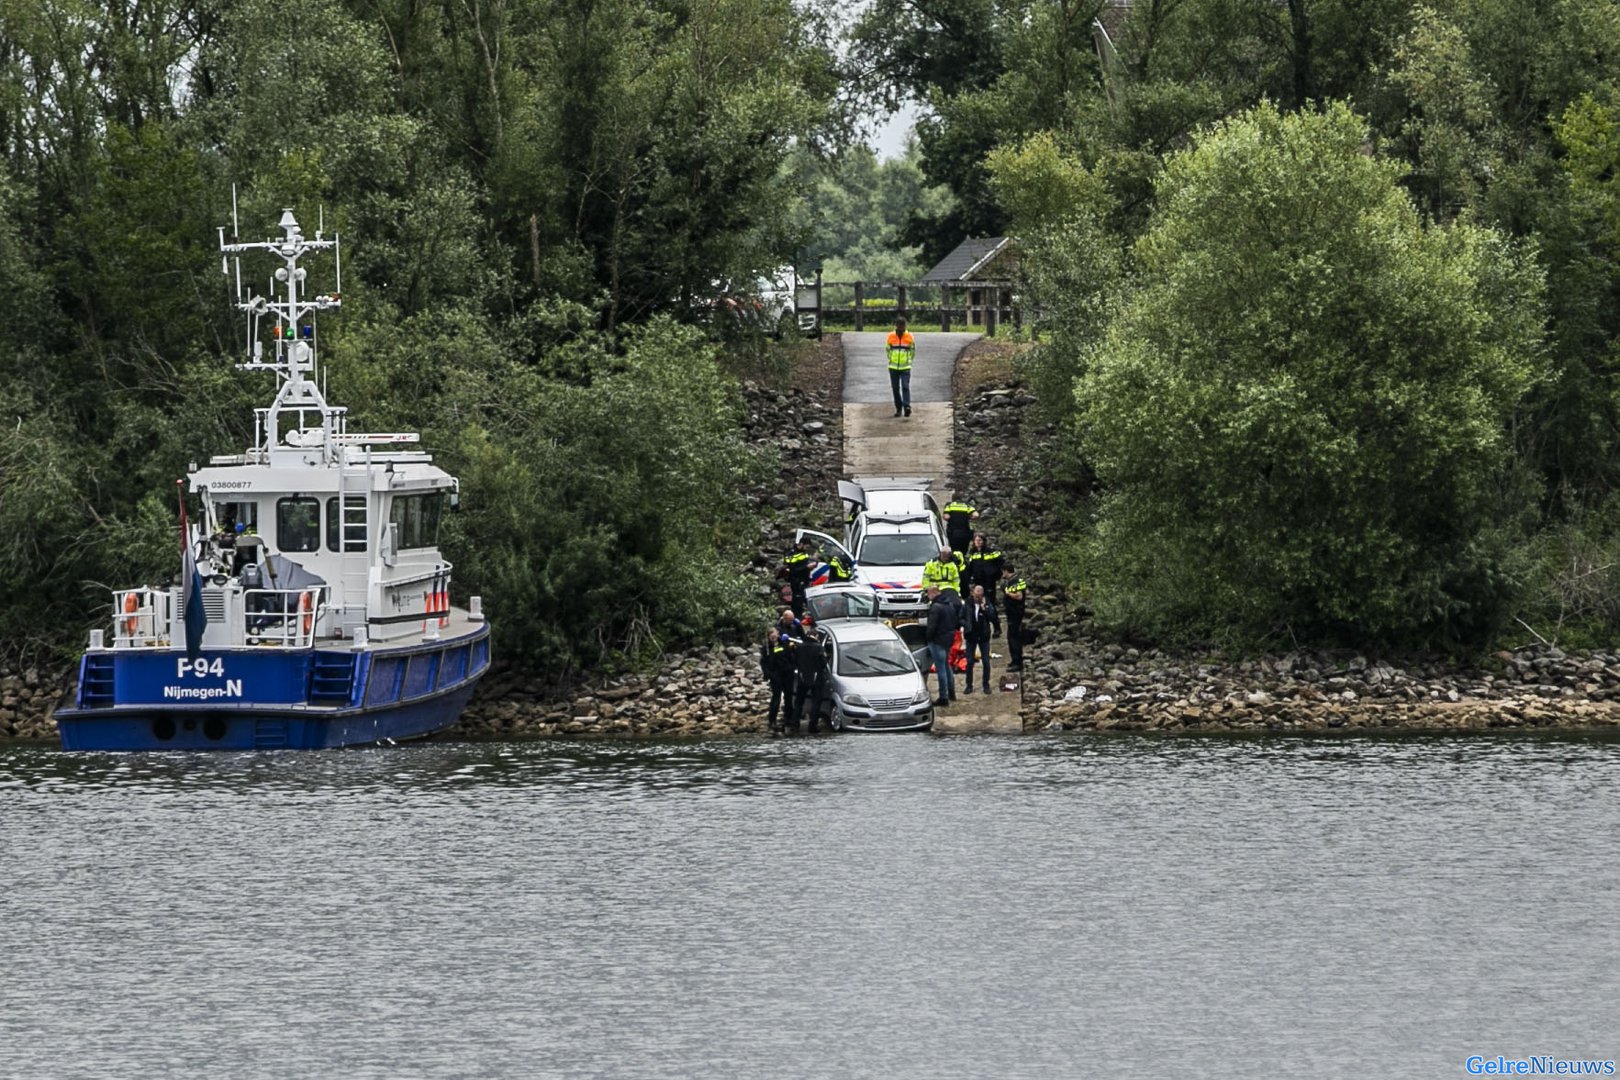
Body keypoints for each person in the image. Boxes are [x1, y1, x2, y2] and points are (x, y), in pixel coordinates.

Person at [788, 619, 832, 734]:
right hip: (817, 677)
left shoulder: (800, 647)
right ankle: (812, 726)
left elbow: (794, 660)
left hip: (802, 677)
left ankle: (794, 724)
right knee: (816, 702)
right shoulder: (819, 647)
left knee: (799, 702)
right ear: (816, 636)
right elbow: (823, 663)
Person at [924, 585, 962, 706]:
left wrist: (927, 638)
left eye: (929, 593)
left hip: (937, 641)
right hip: (948, 639)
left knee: (941, 669)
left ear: (934, 593)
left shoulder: (936, 607)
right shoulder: (949, 604)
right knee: (946, 666)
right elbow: (955, 622)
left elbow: (932, 627)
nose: (928, 596)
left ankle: (943, 697)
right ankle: (952, 693)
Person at [961, 584, 1001, 694]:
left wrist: (984, 609)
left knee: (986, 662)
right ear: (972, 593)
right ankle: (969, 685)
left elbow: (993, 618)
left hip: (983, 636)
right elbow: (960, 617)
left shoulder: (987, 603)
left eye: (980, 595)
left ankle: (986, 684)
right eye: (976, 595)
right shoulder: (967, 604)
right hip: (971, 636)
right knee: (969, 662)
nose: (977, 598)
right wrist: (966, 625)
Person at [886, 317, 915, 418]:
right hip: (893, 367)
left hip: (905, 367)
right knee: (895, 388)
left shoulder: (909, 336)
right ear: (896, 326)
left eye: (903, 326)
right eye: (899, 326)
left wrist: (908, 361)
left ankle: (907, 406)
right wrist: (891, 359)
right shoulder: (890, 336)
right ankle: (898, 408)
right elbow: (887, 349)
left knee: (905, 386)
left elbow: (912, 350)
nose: (901, 328)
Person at [1001, 567, 1027, 672]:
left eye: (1003, 571)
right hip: (1012, 612)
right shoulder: (1012, 581)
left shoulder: (1016, 581)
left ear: (1007, 571)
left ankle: (1017, 662)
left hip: (1015, 613)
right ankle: (1014, 660)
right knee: (1011, 637)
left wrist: (1007, 593)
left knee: (1013, 638)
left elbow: (1019, 596)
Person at [780, 536, 813, 618]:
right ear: (801, 544)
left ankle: (801, 616)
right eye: (806, 547)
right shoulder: (791, 554)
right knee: (797, 602)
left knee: (803, 601)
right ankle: (796, 617)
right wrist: (807, 567)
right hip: (796, 581)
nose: (806, 549)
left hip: (804, 580)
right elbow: (793, 570)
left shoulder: (803, 552)